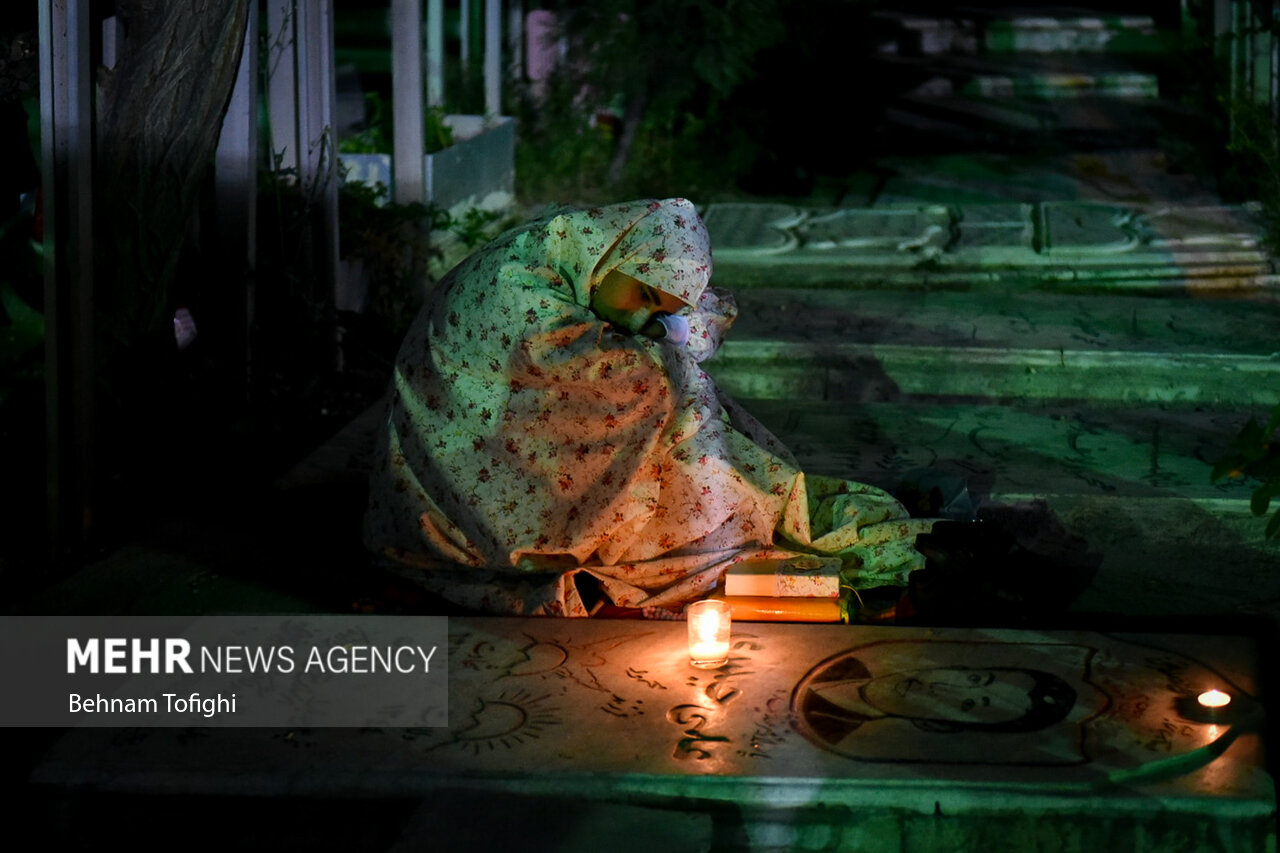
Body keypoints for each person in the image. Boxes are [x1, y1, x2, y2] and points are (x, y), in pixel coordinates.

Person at [363, 198, 933, 616]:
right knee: (657, 391)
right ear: (618, 256)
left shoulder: (601, 263)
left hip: (515, 427)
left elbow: (697, 320)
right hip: (464, 456)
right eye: (642, 297)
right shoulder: (516, 285)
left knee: (676, 396)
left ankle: (700, 517)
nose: (641, 318)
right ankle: (655, 532)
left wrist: (669, 325)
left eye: (657, 307)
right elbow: (584, 373)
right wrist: (665, 360)